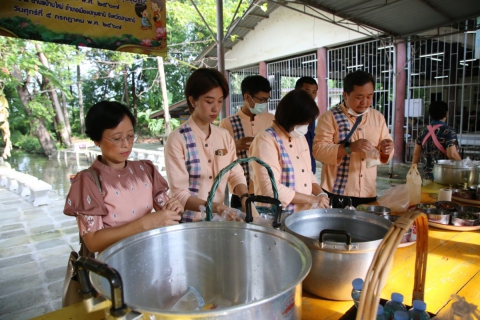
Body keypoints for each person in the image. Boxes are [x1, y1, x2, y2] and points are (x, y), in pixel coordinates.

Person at [63, 101, 183, 253]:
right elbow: (92, 242)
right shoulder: (88, 181)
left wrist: (174, 209)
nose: (126, 144)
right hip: (114, 265)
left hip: (151, 254)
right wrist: (144, 224)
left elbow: (166, 210)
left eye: (130, 136)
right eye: (117, 138)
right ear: (96, 139)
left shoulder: (145, 170)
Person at [165, 68, 250, 222]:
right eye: (209, 101)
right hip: (188, 222)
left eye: (219, 101)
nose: (216, 108)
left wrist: (245, 198)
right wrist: (216, 207)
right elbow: (180, 194)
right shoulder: (178, 139)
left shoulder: (223, 136)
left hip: (217, 219)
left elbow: (235, 173)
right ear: (192, 101)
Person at [313, 70, 394, 207]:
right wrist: (349, 148)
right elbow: (318, 151)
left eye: (369, 96)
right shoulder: (330, 117)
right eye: (359, 97)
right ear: (345, 94)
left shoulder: (378, 117)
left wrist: (386, 149)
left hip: (368, 192)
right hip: (337, 193)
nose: (365, 102)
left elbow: (387, 150)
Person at [249, 90, 329, 214]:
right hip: (276, 215)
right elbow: (271, 188)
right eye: (303, 123)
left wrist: (321, 194)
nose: (306, 128)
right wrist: (311, 199)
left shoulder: (299, 137)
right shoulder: (266, 140)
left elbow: (308, 173)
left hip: (302, 213)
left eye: (308, 123)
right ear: (290, 118)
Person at [219, 75, 274, 208]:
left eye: (266, 100)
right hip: (241, 191)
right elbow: (218, 154)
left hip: (267, 189)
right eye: (261, 100)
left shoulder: (272, 120)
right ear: (247, 97)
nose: (263, 104)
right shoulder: (228, 123)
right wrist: (235, 146)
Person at [412, 101, 461, 183]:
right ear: (446, 113)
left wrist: (413, 170)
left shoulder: (423, 131)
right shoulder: (449, 131)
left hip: (427, 177)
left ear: (430, 114)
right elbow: (452, 154)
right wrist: (463, 165)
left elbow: (416, 153)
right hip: (445, 177)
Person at [295, 76, 319, 174]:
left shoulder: (312, 111)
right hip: (294, 153)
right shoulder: (289, 110)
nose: (311, 95)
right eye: (307, 91)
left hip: (309, 152)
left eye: (314, 92)